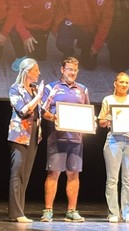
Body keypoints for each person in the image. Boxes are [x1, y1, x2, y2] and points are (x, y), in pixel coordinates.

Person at [40, 56, 89, 223]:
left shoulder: (82, 89)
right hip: (57, 137)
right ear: (62, 69)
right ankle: (48, 210)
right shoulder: (51, 87)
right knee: (53, 173)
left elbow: (87, 111)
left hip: (76, 138)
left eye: (75, 70)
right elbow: (43, 111)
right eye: (69, 69)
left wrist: (90, 122)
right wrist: (53, 117)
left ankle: (71, 211)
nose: (72, 73)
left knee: (73, 174)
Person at [7, 58, 54, 223]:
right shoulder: (15, 89)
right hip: (19, 136)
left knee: (25, 175)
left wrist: (53, 112)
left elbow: (39, 110)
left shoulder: (33, 90)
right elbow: (24, 111)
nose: (39, 73)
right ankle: (15, 213)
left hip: (33, 135)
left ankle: (20, 212)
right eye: (36, 70)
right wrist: (39, 96)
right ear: (27, 72)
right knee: (17, 174)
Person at [54, 0, 114, 70]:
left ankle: (84, 47)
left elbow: (106, 21)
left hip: (91, 29)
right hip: (72, 25)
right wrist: (56, 30)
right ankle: (68, 52)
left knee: (89, 66)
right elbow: (62, 8)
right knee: (62, 42)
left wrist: (97, 45)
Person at [98, 72, 129, 223]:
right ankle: (113, 213)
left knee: (128, 180)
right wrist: (107, 119)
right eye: (121, 82)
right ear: (115, 83)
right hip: (113, 141)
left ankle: (128, 213)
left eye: (127, 83)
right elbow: (101, 122)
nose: (124, 85)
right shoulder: (108, 100)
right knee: (112, 179)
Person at [9, 0, 58, 72]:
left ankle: (33, 47)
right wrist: (25, 35)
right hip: (25, 28)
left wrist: (56, 31)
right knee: (13, 32)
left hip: (42, 30)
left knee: (41, 57)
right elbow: (17, 17)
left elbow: (56, 16)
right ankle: (20, 56)